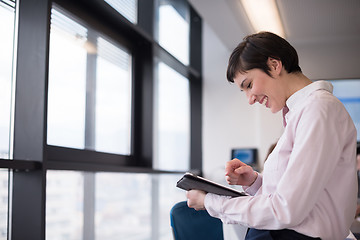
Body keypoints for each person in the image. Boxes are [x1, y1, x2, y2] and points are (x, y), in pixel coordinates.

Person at [186, 32, 357, 240]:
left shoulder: (318, 109)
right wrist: (255, 182)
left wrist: (210, 202)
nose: (250, 99)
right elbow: (304, 195)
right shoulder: (301, 112)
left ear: (275, 65)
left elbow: (286, 209)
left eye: (249, 85)